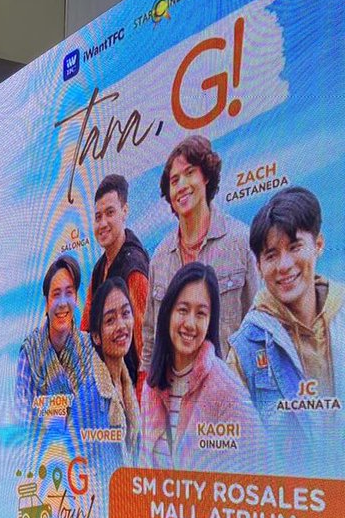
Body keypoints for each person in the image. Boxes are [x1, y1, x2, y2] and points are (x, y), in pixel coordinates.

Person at [227, 187, 344, 470]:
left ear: (318, 245)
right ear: (258, 265)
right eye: (271, 255)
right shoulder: (244, 350)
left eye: (294, 247)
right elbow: (238, 454)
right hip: (293, 505)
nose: (285, 265)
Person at [142, 135, 259, 381]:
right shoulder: (160, 259)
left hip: (229, 397)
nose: (182, 185)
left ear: (206, 176)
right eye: (174, 180)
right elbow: (151, 339)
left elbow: (260, 327)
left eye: (189, 172)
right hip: (175, 401)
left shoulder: (241, 242)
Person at [140, 262, 262, 470]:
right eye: (183, 310)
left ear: (210, 322)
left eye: (200, 314)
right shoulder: (151, 386)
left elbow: (260, 465)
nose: (189, 323)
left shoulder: (226, 390)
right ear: (168, 312)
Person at [80, 174, 150, 399]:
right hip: (109, 392)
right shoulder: (100, 268)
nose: (102, 224)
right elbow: (85, 333)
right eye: (98, 217)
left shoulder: (134, 269)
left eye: (110, 213)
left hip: (134, 397)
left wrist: (141, 404)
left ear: (124, 211)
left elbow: (145, 346)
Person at [14, 254, 103, 425]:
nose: (62, 303)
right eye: (56, 295)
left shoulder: (90, 350)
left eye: (69, 293)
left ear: (76, 299)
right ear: (46, 303)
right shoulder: (30, 352)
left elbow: (97, 415)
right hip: (42, 449)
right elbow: (22, 421)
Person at [88, 277, 141, 461]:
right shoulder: (91, 396)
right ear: (96, 337)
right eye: (110, 320)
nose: (121, 326)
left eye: (126, 314)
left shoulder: (127, 386)